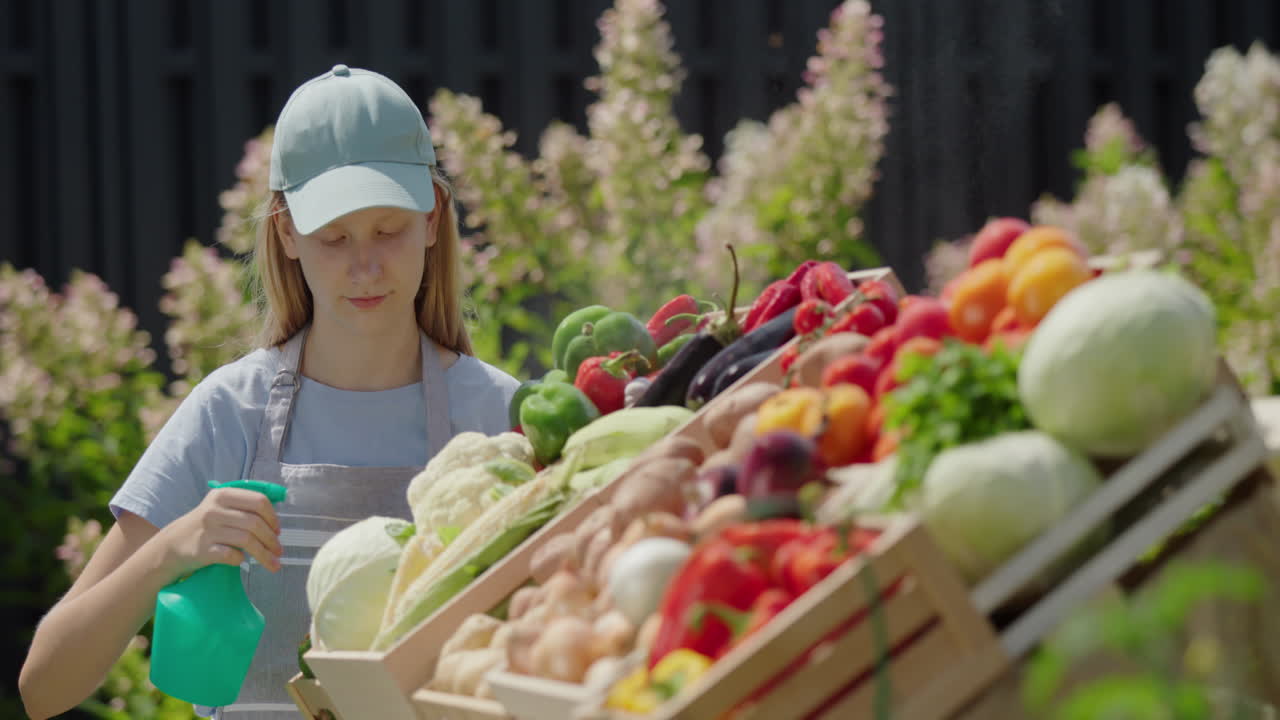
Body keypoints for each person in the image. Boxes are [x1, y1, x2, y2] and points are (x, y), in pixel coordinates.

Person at [19, 64, 520, 719]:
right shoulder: (229, 414)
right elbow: (43, 687)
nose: (364, 265)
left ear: (433, 216)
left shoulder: (498, 416)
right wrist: (172, 551)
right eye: (333, 237)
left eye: (389, 229)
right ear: (286, 233)